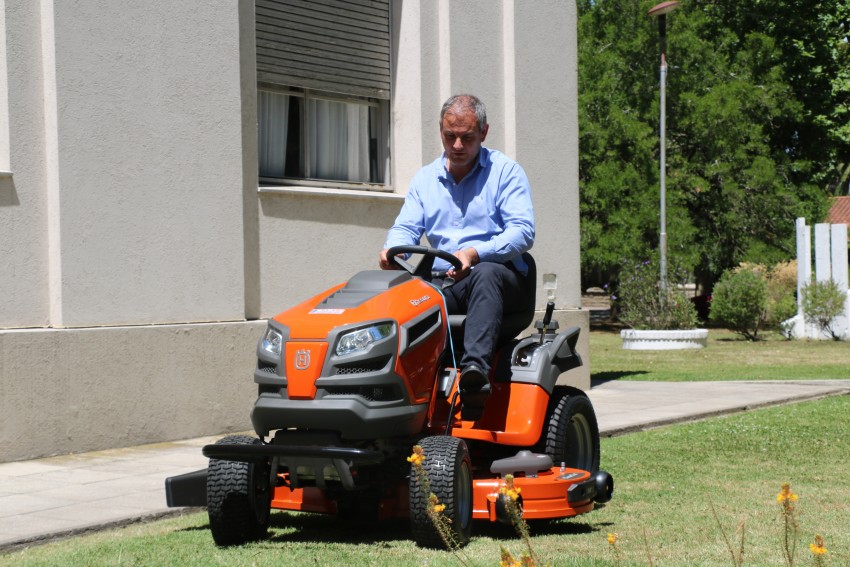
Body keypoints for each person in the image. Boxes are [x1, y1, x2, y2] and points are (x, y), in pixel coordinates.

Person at [379, 94, 535, 410]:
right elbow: (405, 228)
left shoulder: (505, 173)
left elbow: (523, 232)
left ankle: (474, 372)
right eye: (451, 136)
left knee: (486, 273)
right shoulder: (425, 179)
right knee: (397, 296)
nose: (458, 145)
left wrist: (474, 254)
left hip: (503, 282)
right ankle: (389, 390)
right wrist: (392, 250)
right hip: (447, 285)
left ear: (484, 133)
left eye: (467, 137)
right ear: (441, 131)